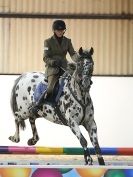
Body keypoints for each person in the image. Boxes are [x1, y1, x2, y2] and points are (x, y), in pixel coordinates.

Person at [32, 19, 79, 114]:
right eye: (58, 30)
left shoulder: (67, 41)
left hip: (65, 67)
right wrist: (52, 62)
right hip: (53, 68)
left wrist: (79, 59)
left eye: (62, 30)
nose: (60, 32)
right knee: (50, 88)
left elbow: (72, 54)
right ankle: (38, 105)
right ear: (54, 30)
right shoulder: (48, 42)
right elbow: (45, 57)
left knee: (76, 80)